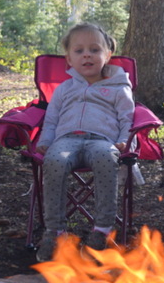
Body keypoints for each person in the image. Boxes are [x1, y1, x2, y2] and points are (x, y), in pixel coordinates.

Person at [34, 23, 135, 262]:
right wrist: (46, 141)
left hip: (102, 141)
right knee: (55, 161)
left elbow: (127, 118)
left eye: (94, 50)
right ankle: (55, 233)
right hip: (65, 140)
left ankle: (102, 231)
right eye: (79, 51)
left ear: (107, 55)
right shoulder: (64, 89)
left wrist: (124, 141)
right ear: (69, 59)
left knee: (105, 157)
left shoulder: (119, 88)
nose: (87, 55)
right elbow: (51, 119)